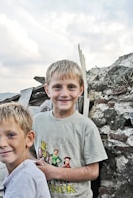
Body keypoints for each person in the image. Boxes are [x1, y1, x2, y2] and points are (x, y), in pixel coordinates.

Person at [33, 59, 108, 197]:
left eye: (71, 87)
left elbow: (92, 172)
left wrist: (54, 172)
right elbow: (29, 154)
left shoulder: (86, 127)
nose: (64, 93)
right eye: (57, 87)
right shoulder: (37, 121)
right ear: (47, 90)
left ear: (80, 90)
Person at [0, 103, 50, 198]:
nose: (2, 144)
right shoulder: (23, 171)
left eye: (10, 135)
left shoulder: (24, 178)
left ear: (29, 139)